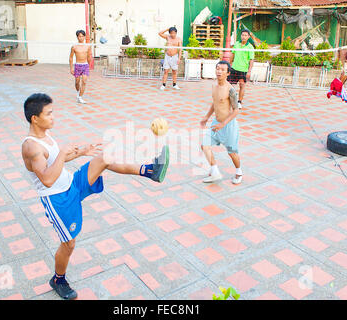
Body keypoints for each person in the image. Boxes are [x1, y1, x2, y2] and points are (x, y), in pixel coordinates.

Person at [21, 93, 170, 299]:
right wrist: (64, 154)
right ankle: (58, 279)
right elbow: (46, 179)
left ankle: (150, 170)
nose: (53, 117)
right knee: (69, 244)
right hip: (58, 199)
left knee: (105, 158)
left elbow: (56, 160)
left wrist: (81, 152)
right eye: (49, 114)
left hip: (71, 183)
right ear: (35, 118)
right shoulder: (31, 147)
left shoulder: (45, 136)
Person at [200, 61, 242, 184]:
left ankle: (239, 172)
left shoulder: (231, 90)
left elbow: (236, 111)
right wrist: (206, 117)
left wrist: (223, 124)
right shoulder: (214, 86)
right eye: (218, 69)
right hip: (216, 123)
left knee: (232, 153)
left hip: (228, 126)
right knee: (204, 145)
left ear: (228, 73)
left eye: (223, 70)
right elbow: (215, 103)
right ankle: (215, 172)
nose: (219, 71)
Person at [228, 29, 254, 109]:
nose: (244, 37)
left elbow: (251, 60)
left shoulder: (250, 47)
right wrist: (229, 65)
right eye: (242, 35)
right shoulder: (237, 44)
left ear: (248, 37)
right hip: (234, 68)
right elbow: (232, 54)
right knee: (229, 85)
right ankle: (229, 100)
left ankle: (239, 102)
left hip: (243, 69)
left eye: (246, 35)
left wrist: (249, 71)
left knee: (242, 85)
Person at [69, 30, 92, 104]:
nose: (81, 38)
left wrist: (88, 65)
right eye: (79, 36)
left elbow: (89, 57)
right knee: (77, 82)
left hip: (85, 65)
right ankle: (78, 92)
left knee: (84, 81)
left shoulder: (88, 46)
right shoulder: (74, 47)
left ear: (84, 37)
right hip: (77, 65)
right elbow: (71, 58)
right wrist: (71, 68)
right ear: (77, 37)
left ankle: (80, 97)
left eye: (82, 36)